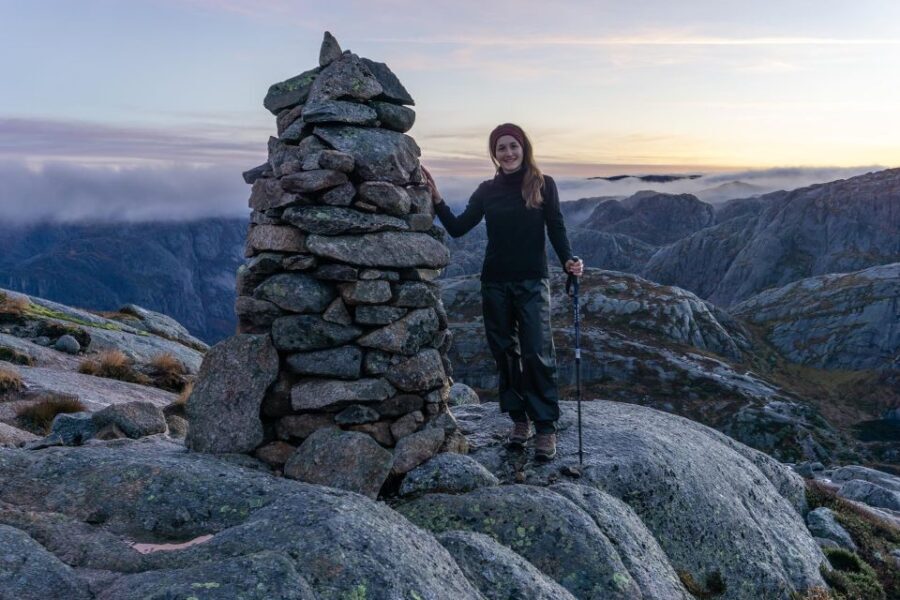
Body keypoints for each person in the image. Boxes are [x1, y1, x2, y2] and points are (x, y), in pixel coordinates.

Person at [422, 123, 583, 461]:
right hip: (494, 281)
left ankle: (545, 427)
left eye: (513, 146)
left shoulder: (543, 184)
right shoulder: (486, 190)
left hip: (532, 281)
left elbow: (556, 227)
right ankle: (519, 420)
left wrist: (568, 259)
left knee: (537, 351)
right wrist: (437, 200)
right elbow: (458, 227)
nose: (508, 153)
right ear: (494, 154)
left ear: (524, 148)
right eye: (501, 148)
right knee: (505, 353)